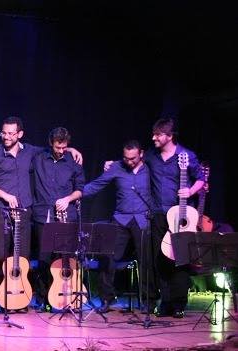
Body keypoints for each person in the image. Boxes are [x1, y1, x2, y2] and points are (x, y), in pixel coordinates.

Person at [0, 116, 82, 311]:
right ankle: (1, 298)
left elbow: (55, 150)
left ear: (20, 134)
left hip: (24, 210)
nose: (6, 137)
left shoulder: (31, 152)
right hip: (0, 210)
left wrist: (70, 149)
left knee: (23, 258)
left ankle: (21, 297)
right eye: (4, 133)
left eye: (11, 133)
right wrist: (4, 195)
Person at [84, 140, 157, 313]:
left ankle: (149, 301)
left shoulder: (150, 168)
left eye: (133, 158)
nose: (129, 162)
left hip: (142, 219)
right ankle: (107, 299)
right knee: (107, 255)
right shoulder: (116, 167)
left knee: (146, 260)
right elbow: (96, 185)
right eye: (126, 158)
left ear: (141, 154)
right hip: (121, 219)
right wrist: (75, 194)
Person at [147, 117, 204, 318]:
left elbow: (201, 178)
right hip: (158, 214)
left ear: (169, 136)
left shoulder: (186, 155)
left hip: (180, 215)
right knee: (160, 259)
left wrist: (190, 191)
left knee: (180, 259)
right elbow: (134, 162)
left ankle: (179, 303)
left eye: (158, 134)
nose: (153, 137)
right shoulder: (151, 156)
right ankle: (165, 301)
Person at [31, 127, 85, 311]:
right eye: (58, 147)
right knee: (44, 258)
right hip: (43, 214)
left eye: (65, 147)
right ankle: (43, 297)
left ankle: (66, 296)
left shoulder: (73, 161)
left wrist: (68, 199)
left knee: (65, 257)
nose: (61, 151)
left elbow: (80, 189)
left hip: (66, 215)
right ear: (50, 143)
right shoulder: (38, 157)